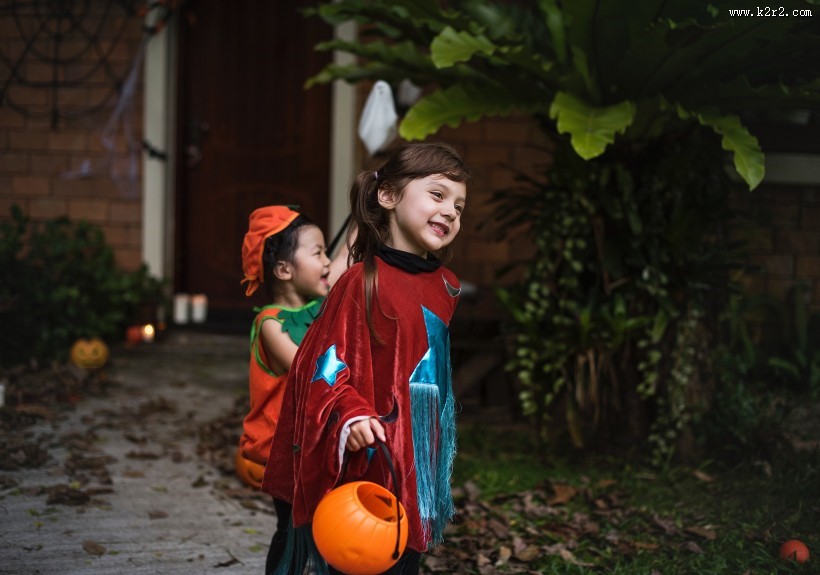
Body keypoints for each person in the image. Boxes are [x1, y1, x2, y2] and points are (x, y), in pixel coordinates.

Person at [262, 142, 471, 575]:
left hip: (416, 454)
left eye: (459, 205)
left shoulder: (447, 285)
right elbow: (322, 363)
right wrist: (351, 416)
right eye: (437, 195)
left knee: (404, 552)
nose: (450, 211)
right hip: (369, 450)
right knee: (359, 556)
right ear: (388, 196)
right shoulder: (362, 282)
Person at [237, 205, 351, 575]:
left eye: (324, 252)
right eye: (317, 253)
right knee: (292, 528)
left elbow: (345, 258)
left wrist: (365, 210)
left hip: (316, 441)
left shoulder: (322, 305)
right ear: (284, 270)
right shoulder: (270, 323)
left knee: (328, 523)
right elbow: (309, 368)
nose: (327, 262)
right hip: (286, 448)